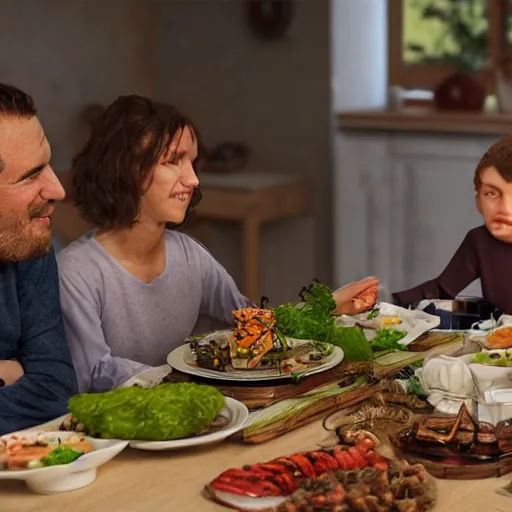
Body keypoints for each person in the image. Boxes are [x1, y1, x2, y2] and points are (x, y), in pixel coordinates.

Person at [57, 95, 378, 394]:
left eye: (192, 162)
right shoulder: (77, 271)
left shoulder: (189, 255)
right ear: (126, 168)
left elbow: (254, 325)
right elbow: (93, 373)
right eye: (173, 161)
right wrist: (186, 379)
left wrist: (328, 306)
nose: (193, 179)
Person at [0, 83, 78, 435]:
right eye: (31, 175)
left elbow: (56, 391)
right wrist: (11, 372)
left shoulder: (29, 244)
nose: (57, 189)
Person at [392, 136, 512, 314]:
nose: (505, 208)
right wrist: (385, 303)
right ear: (478, 199)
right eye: (492, 193)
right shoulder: (479, 242)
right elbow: (441, 291)